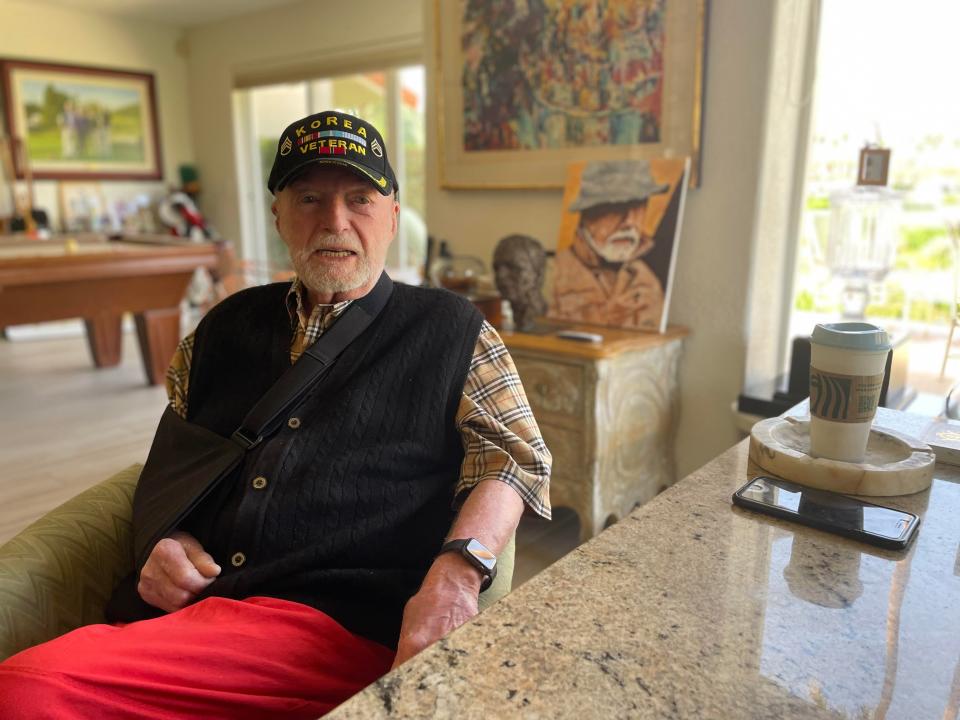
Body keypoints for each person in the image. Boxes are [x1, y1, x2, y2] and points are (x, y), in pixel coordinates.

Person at [0, 110, 552, 719]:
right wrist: (162, 535)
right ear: (278, 216)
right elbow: (175, 462)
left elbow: (515, 459)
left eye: (360, 199)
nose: (334, 222)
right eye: (309, 197)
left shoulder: (452, 328)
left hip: (339, 628)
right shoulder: (220, 329)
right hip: (200, 619)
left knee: (26, 692)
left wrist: (456, 575)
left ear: (393, 217)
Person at [551, 159, 670, 330]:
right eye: (617, 206)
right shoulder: (557, 274)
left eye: (638, 206)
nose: (629, 222)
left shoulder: (646, 281)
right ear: (587, 215)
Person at [493, 233, 548, 332]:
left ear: (538, 273)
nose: (500, 275)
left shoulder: (546, 319)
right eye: (497, 268)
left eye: (513, 268)